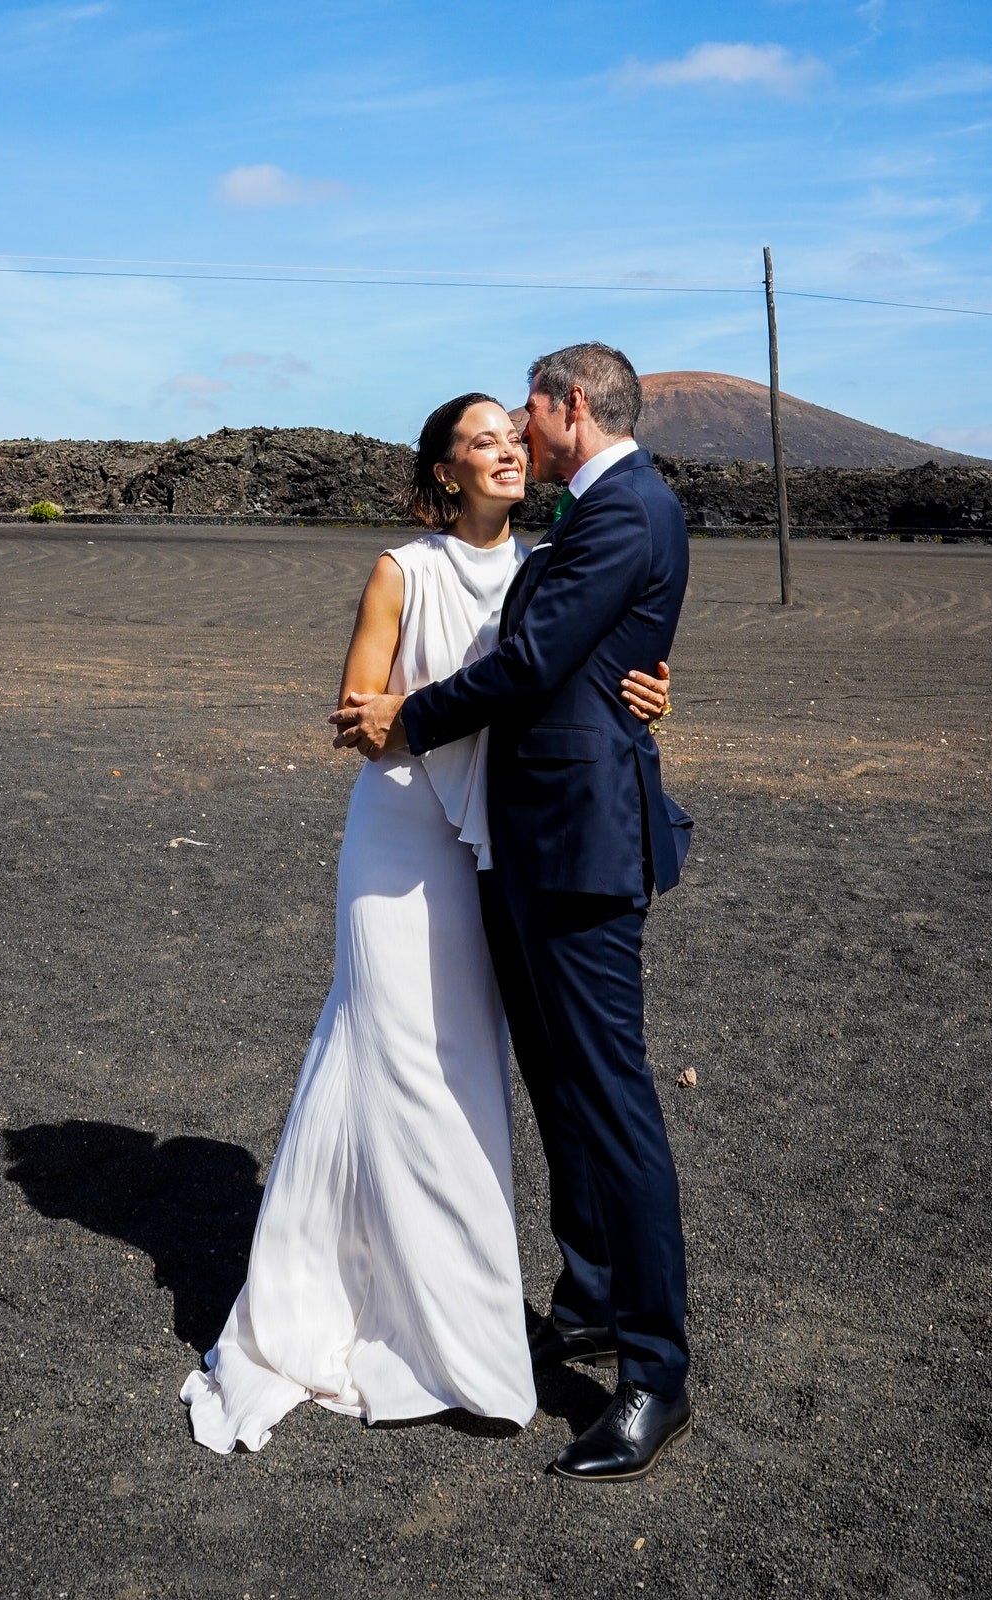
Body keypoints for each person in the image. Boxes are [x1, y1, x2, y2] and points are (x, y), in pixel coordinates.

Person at [180, 391, 671, 1453]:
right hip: (404, 842)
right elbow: (363, 716)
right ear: (445, 471)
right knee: (395, 1059)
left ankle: (461, 1317)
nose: (506, 449)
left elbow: (564, 665)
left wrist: (638, 691)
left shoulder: (547, 559)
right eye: (482, 441)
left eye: (513, 435)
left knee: (468, 1078)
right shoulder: (401, 568)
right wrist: (415, 710)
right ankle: (394, 1322)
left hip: (497, 848)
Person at [330, 343, 694, 1482]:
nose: (517, 438)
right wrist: (640, 676)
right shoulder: (589, 517)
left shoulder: (623, 509)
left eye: (523, 416)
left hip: (577, 846)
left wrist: (410, 720)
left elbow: (532, 656)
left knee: (611, 1097)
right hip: (523, 844)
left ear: (564, 407)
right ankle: (587, 1294)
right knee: (554, 1081)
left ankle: (653, 1375)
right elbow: (578, 652)